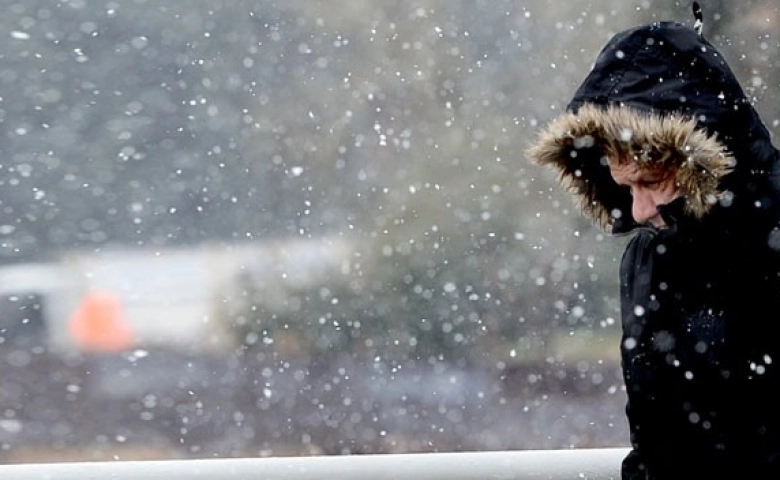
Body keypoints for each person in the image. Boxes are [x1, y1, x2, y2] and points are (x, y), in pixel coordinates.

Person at [527, 5, 780, 480]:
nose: (639, 211)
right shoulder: (650, 259)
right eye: (626, 188)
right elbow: (657, 444)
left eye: (651, 181)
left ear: (701, 159)